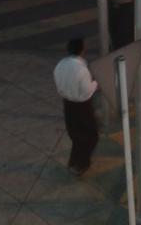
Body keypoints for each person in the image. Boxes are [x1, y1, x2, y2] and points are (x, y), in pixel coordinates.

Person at [54, 38, 99, 178]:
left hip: (67, 104)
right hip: (82, 106)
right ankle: (81, 164)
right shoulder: (81, 69)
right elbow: (87, 91)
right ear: (82, 50)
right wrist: (96, 83)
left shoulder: (61, 64)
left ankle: (74, 161)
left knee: (76, 134)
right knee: (90, 136)